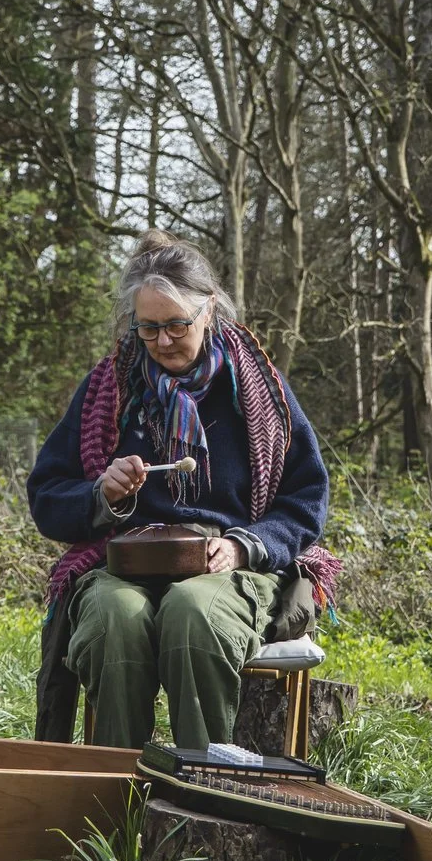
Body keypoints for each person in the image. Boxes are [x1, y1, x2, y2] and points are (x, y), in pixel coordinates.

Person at [26, 232, 333, 748]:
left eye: (175, 325)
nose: (163, 341)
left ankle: (202, 794)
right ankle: (116, 801)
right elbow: (48, 497)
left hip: (230, 564)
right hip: (122, 562)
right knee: (114, 620)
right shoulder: (110, 388)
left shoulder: (258, 389)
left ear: (209, 309)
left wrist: (242, 545)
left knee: (194, 615)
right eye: (147, 328)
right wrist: (104, 494)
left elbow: (305, 500)